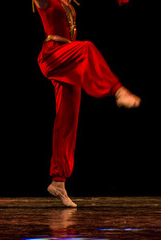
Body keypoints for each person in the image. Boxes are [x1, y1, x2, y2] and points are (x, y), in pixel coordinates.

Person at [33, 0, 141, 207]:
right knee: (87, 48)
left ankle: (58, 181)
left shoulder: (69, 2)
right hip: (53, 54)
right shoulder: (47, 1)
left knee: (68, 118)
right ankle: (117, 89)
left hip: (69, 60)